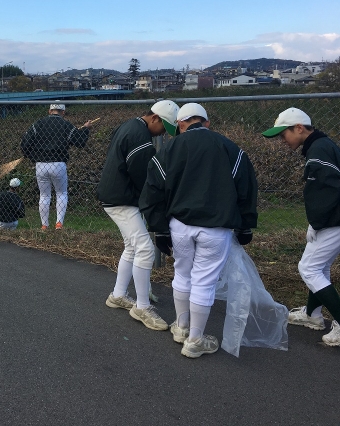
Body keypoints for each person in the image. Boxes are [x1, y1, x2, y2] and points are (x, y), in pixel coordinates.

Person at [140, 103, 258, 358]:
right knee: (204, 281)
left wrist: (159, 229)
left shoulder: (170, 148)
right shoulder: (231, 149)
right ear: (206, 123)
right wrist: (245, 224)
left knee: (182, 275)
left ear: (181, 124)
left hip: (180, 225)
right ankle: (195, 340)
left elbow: (152, 191)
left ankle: (181, 328)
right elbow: (246, 189)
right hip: (216, 228)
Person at [97, 100, 179, 331]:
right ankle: (142, 307)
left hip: (114, 195)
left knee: (132, 247)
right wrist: (156, 206)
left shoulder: (130, 125)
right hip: (121, 199)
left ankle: (118, 295)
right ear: (155, 118)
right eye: (163, 127)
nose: (162, 133)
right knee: (145, 249)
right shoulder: (140, 139)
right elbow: (144, 179)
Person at [262, 108, 340, 347]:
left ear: (298, 128)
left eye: (283, 134)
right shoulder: (321, 145)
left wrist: (317, 222)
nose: (282, 140)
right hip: (331, 218)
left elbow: (327, 191)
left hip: (333, 220)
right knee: (319, 266)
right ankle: (312, 315)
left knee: (308, 268)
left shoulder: (319, 150)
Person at [20, 101, 93, 231]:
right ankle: (59, 224)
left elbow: (25, 143)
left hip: (40, 165)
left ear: (49, 111)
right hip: (58, 164)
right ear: (63, 112)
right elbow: (80, 142)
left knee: (44, 195)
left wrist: (31, 156)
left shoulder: (38, 124)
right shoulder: (66, 125)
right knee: (61, 193)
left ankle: (44, 225)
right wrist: (86, 129)